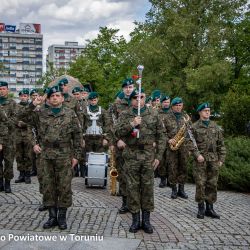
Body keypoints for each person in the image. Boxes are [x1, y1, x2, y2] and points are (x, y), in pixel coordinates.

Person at [19, 85, 83, 229]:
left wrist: (77, 156)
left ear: (62, 98)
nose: (55, 98)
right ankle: (52, 216)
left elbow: (78, 135)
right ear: (48, 99)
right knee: (48, 186)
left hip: (64, 154)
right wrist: (33, 104)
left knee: (64, 186)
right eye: (52, 96)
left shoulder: (70, 114)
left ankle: (62, 217)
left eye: (58, 95)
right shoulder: (40, 112)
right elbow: (21, 117)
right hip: (45, 155)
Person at [115, 88, 166, 234]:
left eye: (141, 97)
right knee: (132, 187)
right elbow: (116, 132)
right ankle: (135, 220)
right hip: (131, 154)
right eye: (135, 97)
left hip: (149, 155)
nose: (138, 99)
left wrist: (159, 156)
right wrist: (132, 123)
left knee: (148, 188)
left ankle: (147, 221)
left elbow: (162, 136)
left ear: (145, 98)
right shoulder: (125, 114)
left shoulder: (154, 114)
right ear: (131, 100)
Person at [192, 102, 226, 219]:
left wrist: (221, 159)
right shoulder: (194, 127)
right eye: (205, 110)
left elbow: (221, 144)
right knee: (200, 184)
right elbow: (190, 144)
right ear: (200, 112)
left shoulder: (215, 126)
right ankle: (201, 208)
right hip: (200, 161)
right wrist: (197, 155)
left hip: (213, 160)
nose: (208, 112)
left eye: (209, 110)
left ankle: (210, 208)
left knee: (212, 184)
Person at [110, 78, 134, 213]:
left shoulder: (138, 103)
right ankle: (125, 203)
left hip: (136, 145)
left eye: (131, 87)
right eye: (126, 87)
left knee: (135, 175)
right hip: (122, 144)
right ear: (123, 89)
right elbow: (111, 125)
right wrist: (116, 140)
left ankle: (135, 202)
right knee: (124, 175)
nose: (129, 89)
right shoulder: (116, 105)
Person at [163, 97, 191, 199]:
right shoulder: (166, 118)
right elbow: (162, 133)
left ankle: (181, 190)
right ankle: (174, 189)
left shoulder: (186, 117)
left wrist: (189, 148)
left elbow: (190, 133)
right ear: (173, 106)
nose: (178, 107)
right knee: (172, 168)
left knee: (183, 167)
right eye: (176, 106)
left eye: (180, 105)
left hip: (183, 146)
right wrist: (168, 139)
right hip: (172, 147)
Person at [0, 81, 16, 193]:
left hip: (9, 138)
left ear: (7, 90)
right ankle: (0, 182)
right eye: (0, 89)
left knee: (9, 161)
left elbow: (15, 120)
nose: (1, 91)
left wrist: (5, 118)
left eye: (3, 88)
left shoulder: (12, 103)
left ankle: (7, 183)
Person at [15, 89, 32, 184]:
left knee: (28, 155)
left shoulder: (31, 106)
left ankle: (27, 175)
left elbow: (33, 120)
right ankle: (21, 174)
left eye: (25, 96)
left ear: (28, 97)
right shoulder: (16, 107)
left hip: (28, 134)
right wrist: (17, 122)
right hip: (17, 134)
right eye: (22, 96)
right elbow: (13, 118)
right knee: (19, 155)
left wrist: (24, 124)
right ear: (19, 97)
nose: (23, 97)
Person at [158, 95, 171, 188]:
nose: (166, 104)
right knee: (162, 161)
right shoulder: (157, 113)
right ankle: (162, 179)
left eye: (168, 102)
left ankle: (170, 179)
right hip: (161, 141)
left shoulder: (172, 112)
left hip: (172, 141)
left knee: (170, 161)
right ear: (161, 103)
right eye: (165, 102)